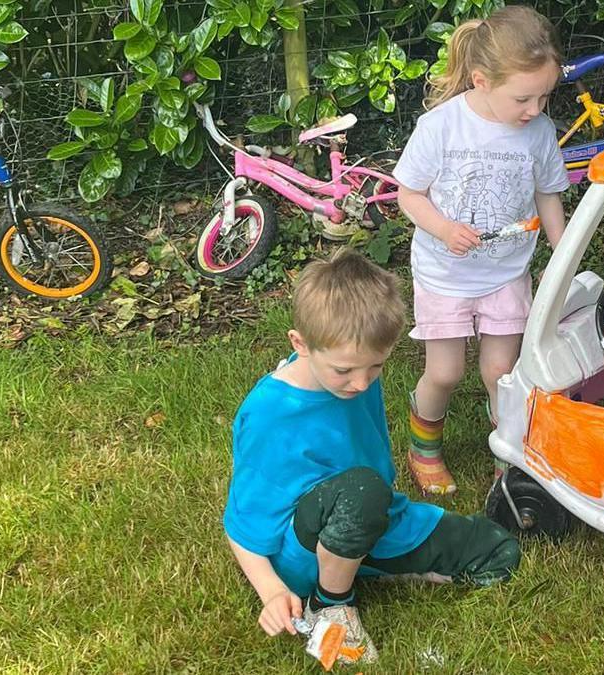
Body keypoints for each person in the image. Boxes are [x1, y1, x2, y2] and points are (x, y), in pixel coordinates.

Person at [223, 249, 521, 665]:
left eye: (375, 367)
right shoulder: (269, 414)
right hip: (300, 548)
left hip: (368, 516)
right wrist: (272, 592)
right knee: (362, 492)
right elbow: (241, 526)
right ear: (300, 344)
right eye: (344, 370)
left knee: (496, 551)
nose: (361, 383)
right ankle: (331, 604)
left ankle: (367, 562)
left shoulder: (354, 375)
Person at [393, 5, 570, 495]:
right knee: (445, 372)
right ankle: (423, 446)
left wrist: (563, 253)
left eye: (544, 97)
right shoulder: (441, 127)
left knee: (502, 372)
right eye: (523, 98)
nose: (535, 109)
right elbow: (408, 193)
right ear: (480, 80)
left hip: (507, 273)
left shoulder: (538, 132)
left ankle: (509, 454)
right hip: (444, 275)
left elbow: (547, 195)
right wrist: (444, 228)